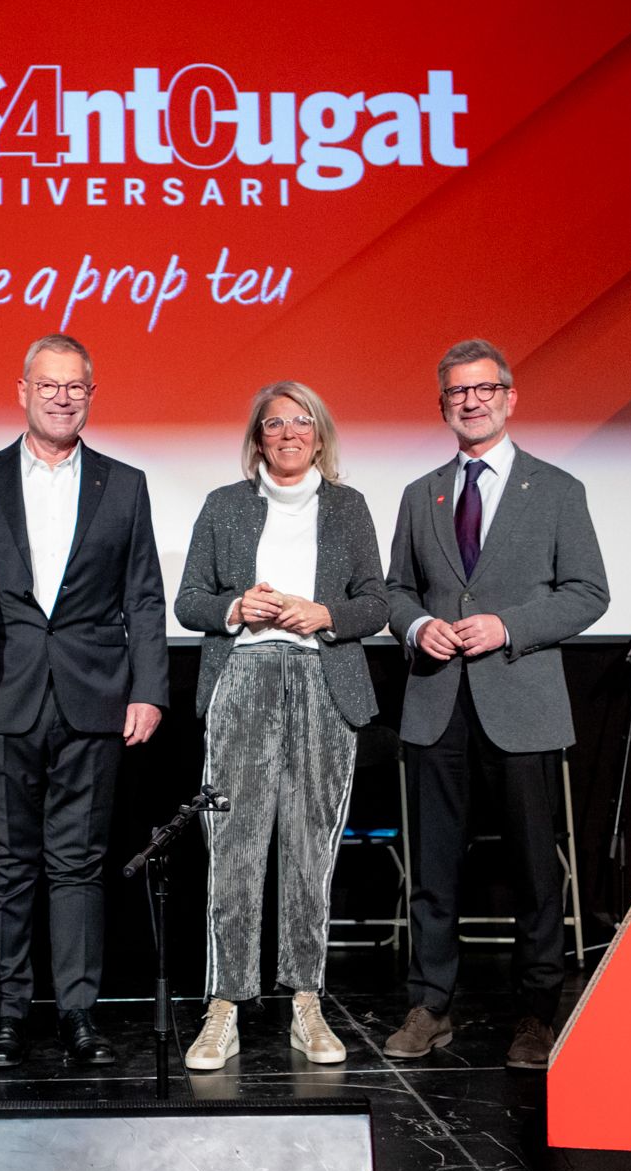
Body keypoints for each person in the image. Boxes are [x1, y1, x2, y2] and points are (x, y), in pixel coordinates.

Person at [383, 338, 609, 1069]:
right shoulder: (422, 494)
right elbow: (396, 592)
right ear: (443, 404)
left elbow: (588, 593)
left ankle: (537, 1013)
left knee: (535, 872)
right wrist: (419, 626)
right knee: (434, 867)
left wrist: (508, 626)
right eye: (457, 392)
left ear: (510, 398)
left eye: (484, 389)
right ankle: (431, 1005)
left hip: (523, 703)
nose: (471, 401)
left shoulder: (557, 490)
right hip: (436, 703)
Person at [0, 335, 168, 1068]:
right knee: (6, 862)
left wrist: (149, 689)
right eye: (49, 385)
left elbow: (143, 593)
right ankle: (5, 1015)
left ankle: (78, 1013)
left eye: (76, 386)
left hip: (94, 697)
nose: (62, 397)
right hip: (1, 692)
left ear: (91, 395)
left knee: (79, 862)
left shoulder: (124, 483)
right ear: (23, 391)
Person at [173, 381, 388, 1069]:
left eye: (302, 422)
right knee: (233, 851)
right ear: (257, 437)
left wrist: (324, 614)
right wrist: (238, 605)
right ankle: (224, 1007)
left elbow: (377, 602)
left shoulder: (348, 508)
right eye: (275, 423)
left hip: (325, 682)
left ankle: (306, 1001)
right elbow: (188, 601)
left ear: (320, 436)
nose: (289, 433)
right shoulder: (224, 506)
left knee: (309, 850)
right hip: (245, 679)